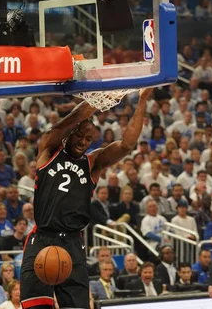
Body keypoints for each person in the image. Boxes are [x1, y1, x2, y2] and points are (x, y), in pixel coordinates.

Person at [21, 90, 153, 309]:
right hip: (43, 238)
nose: (83, 142)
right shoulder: (49, 150)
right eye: (79, 135)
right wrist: (95, 100)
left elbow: (126, 146)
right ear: (70, 134)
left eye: (89, 139)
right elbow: (64, 124)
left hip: (73, 243)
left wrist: (142, 101)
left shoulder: (93, 163)